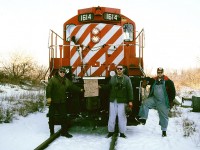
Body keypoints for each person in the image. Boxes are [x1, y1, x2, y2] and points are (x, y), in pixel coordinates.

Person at [137, 67, 176, 137]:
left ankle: (164, 131)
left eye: (161, 72)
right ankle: (143, 119)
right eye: (158, 72)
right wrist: (145, 80)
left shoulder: (168, 81)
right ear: (157, 73)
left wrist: (170, 101)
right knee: (145, 103)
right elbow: (148, 79)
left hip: (163, 101)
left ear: (163, 72)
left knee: (163, 116)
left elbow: (173, 92)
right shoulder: (154, 80)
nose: (159, 73)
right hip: (154, 99)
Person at [46, 67, 84, 138]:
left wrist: (80, 90)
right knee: (51, 117)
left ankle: (64, 132)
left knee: (64, 117)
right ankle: (52, 133)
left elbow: (72, 86)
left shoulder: (66, 80)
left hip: (62, 102)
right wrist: (49, 100)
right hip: (53, 102)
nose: (62, 73)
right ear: (58, 72)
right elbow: (48, 89)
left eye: (63, 72)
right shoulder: (53, 80)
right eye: (61, 72)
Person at [105, 64, 133, 138]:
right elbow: (108, 87)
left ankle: (122, 133)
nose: (119, 70)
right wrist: (100, 87)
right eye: (118, 69)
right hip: (113, 100)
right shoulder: (113, 78)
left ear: (123, 70)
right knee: (111, 116)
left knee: (122, 117)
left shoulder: (127, 79)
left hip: (122, 100)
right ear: (116, 70)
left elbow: (130, 90)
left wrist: (130, 100)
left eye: (120, 69)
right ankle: (110, 132)